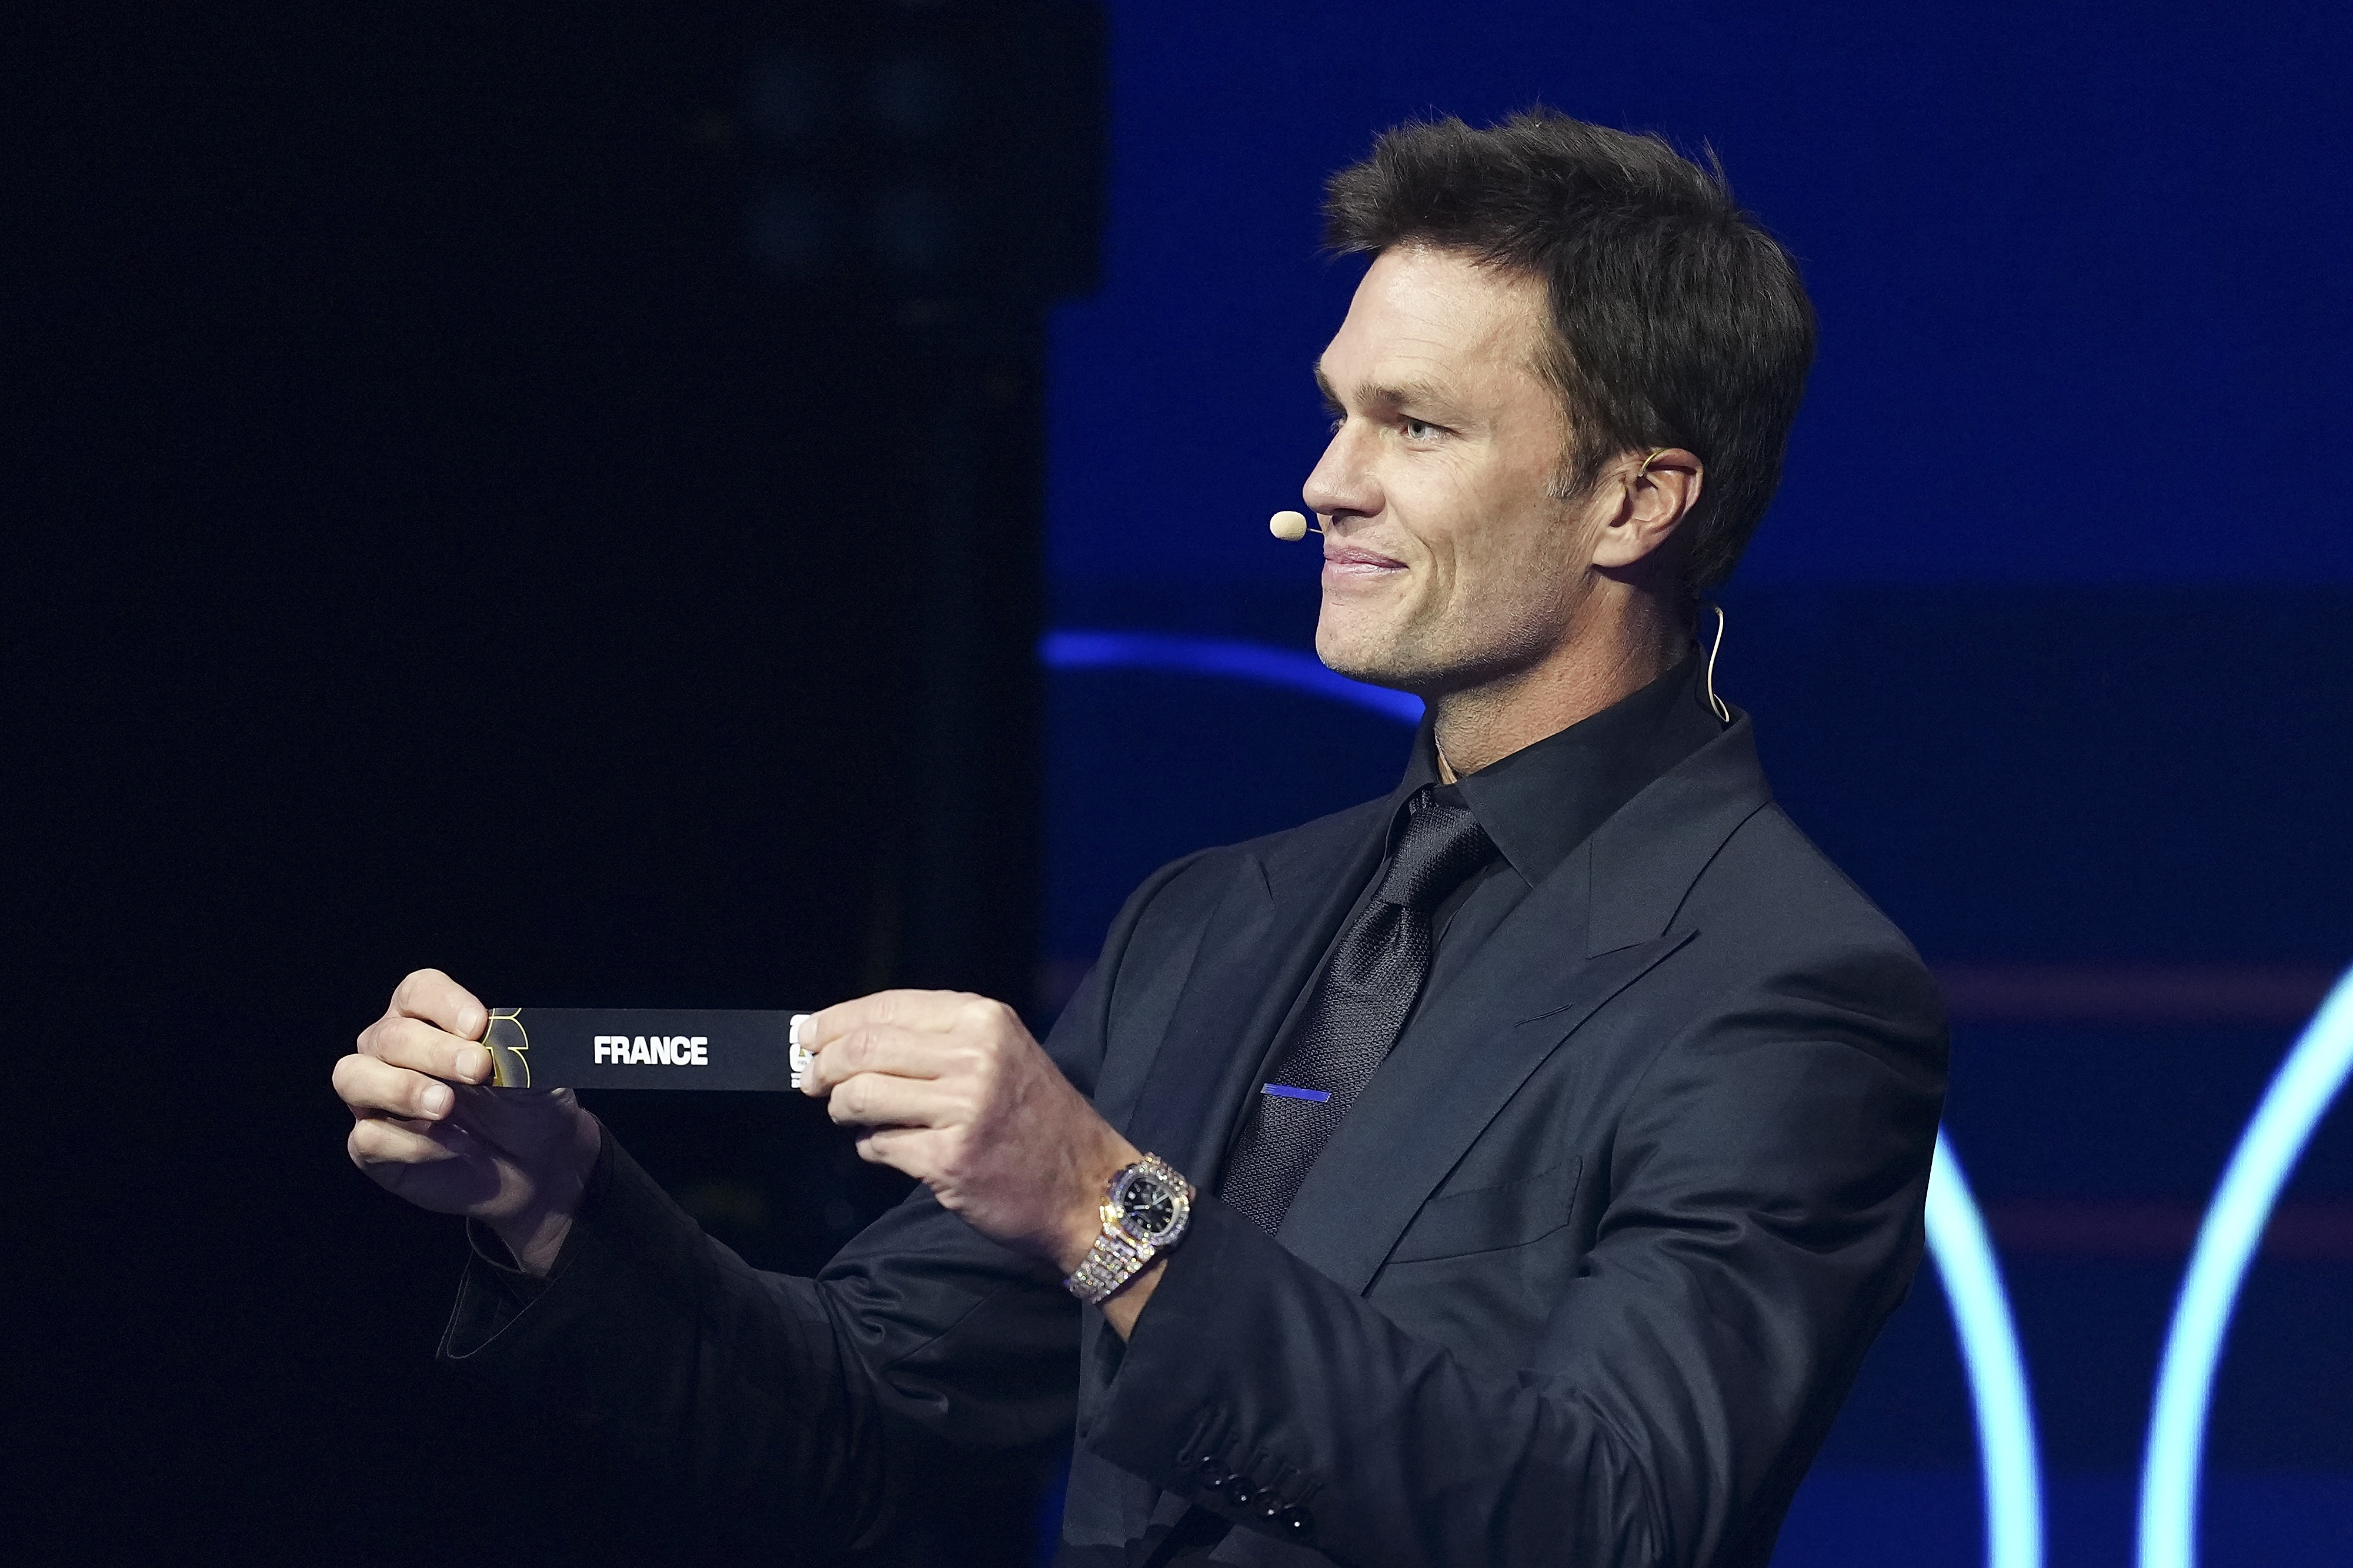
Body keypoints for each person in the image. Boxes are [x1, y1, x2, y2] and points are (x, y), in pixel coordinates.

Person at [334, 111, 1945, 1568]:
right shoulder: (1217, 918)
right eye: (1337, 415)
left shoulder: (1781, 987)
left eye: (1415, 427)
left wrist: (1109, 1211)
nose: (1326, 483)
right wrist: (559, 1208)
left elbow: (1615, 1522)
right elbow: (873, 1419)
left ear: (1637, 501)